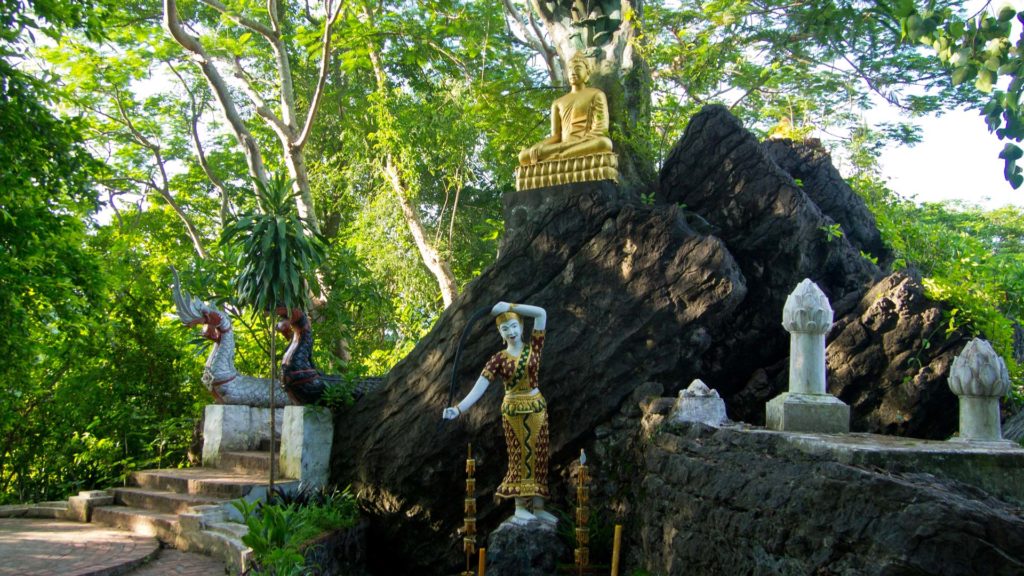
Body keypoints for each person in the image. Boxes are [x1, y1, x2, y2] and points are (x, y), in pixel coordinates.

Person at [443, 301, 556, 526]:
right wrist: (458, 408)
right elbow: (480, 387)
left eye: (514, 326)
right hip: (513, 410)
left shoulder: (534, 347)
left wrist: (509, 305)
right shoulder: (498, 359)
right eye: (505, 329)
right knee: (519, 456)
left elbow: (541, 312)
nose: (511, 332)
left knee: (539, 454)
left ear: (521, 326)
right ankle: (520, 506)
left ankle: (539, 505)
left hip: (536, 407)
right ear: (500, 333)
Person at [518, 52, 614, 166]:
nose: (573, 72)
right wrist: (540, 145)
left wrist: (578, 143)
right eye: (570, 69)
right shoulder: (557, 103)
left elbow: (601, 130)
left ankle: (560, 158)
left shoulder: (596, 94)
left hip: (585, 143)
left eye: (577, 68)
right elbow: (556, 136)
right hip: (563, 145)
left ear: (587, 72)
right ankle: (563, 156)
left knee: (604, 143)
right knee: (523, 156)